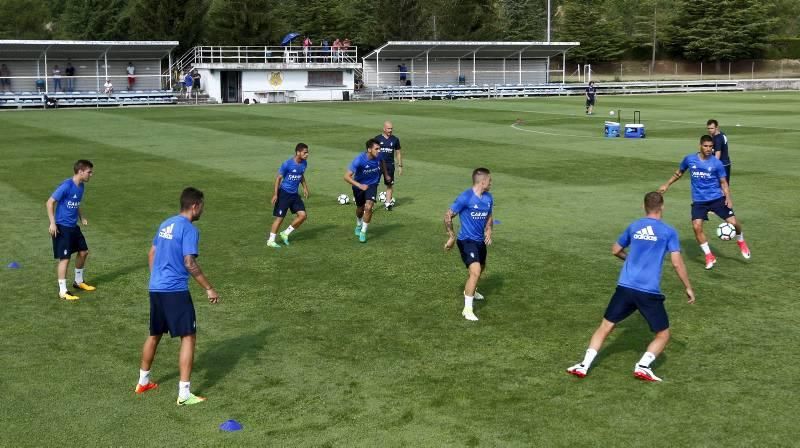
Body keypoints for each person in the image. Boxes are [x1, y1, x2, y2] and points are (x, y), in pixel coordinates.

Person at [566, 192, 695, 382]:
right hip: (648, 291)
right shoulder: (668, 232)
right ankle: (643, 366)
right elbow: (677, 263)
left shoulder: (634, 226)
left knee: (605, 327)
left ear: (644, 207)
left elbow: (615, 250)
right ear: (662, 207)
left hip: (625, 287)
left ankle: (584, 365)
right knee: (663, 334)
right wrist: (688, 287)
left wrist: (630, 260)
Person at [135, 187, 219, 406]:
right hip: (175, 290)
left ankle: (143, 381)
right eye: (202, 205)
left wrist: (157, 278)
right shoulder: (189, 229)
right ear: (195, 206)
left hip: (156, 288)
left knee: (154, 334)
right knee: (188, 336)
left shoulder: (166, 223)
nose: (203, 210)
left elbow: (151, 253)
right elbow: (189, 262)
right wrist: (208, 288)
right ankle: (184, 394)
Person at [658, 135, 751, 269]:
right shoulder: (689, 159)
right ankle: (709, 256)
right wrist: (666, 185)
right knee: (696, 227)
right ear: (700, 146)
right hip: (699, 201)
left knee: (734, 223)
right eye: (706, 146)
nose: (708, 149)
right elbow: (679, 173)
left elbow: (724, 183)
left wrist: (728, 198)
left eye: (711, 146)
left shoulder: (716, 163)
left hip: (716, 199)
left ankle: (741, 241)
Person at [444, 168, 494, 321]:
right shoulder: (465, 197)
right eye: (490, 181)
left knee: (481, 268)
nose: (491, 183)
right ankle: (467, 309)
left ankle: (470, 290)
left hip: (480, 241)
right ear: (482, 181)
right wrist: (451, 237)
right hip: (466, 241)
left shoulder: (488, 198)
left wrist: (489, 230)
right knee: (476, 271)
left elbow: (490, 216)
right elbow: (448, 215)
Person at [46, 160, 96, 301]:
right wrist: (52, 223)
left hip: (73, 227)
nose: (91, 175)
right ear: (80, 171)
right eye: (89, 172)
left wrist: (81, 216)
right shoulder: (66, 186)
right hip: (62, 227)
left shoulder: (81, 186)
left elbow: (76, 203)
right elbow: (50, 202)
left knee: (83, 252)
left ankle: (78, 282)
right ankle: (63, 291)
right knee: (65, 259)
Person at [267, 143, 310, 248]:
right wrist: (275, 194)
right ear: (298, 152)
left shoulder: (304, 163)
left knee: (303, 216)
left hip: (294, 194)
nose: (307, 154)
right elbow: (278, 178)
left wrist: (305, 187)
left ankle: (285, 233)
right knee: (280, 218)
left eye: (307, 152)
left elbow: (301, 175)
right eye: (305, 152)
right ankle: (270, 241)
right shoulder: (287, 164)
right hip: (284, 194)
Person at [344, 139, 385, 243]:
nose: (379, 151)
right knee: (360, 209)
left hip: (372, 184)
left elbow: (382, 161)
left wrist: (387, 175)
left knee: (369, 206)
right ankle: (358, 224)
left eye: (379, 149)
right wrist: (360, 185)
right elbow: (346, 177)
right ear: (369, 149)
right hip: (359, 186)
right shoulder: (359, 160)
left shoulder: (379, 156)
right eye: (376, 149)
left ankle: (363, 231)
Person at [374, 121, 403, 210]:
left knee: (389, 185)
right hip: (378, 165)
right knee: (373, 184)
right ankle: (370, 204)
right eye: (388, 128)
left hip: (390, 166)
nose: (390, 130)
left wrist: (400, 166)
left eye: (391, 128)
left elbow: (398, 153)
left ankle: (387, 204)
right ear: (384, 129)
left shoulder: (395, 139)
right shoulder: (377, 138)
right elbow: (372, 151)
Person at [707, 119, 731, 183]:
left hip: (721, 165)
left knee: (721, 187)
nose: (710, 130)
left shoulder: (717, 139)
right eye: (708, 128)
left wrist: (711, 166)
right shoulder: (722, 134)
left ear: (717, 127)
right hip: (726, 163)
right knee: (724, 186)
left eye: (712, 128)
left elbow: (718, 154)